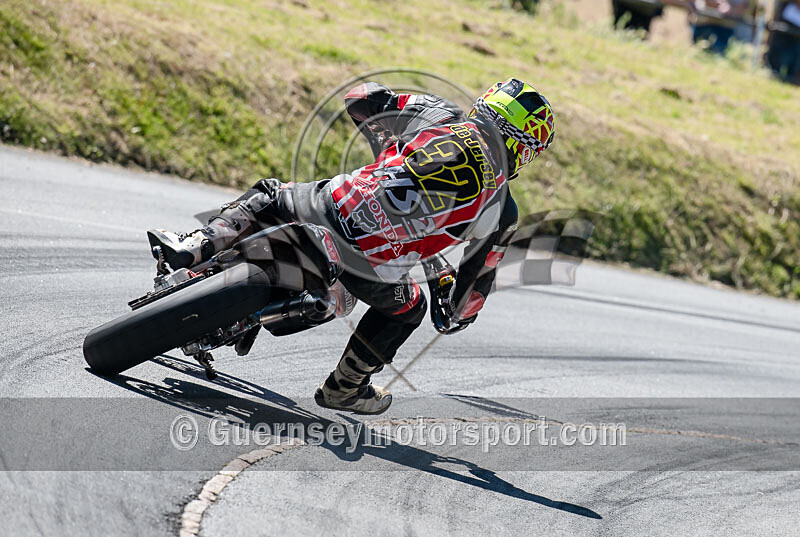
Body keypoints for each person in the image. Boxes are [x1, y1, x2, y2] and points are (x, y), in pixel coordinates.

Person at [146, 78, 555, 415]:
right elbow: (469, 299)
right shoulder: (503, 209)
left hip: (328, 204)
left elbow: (362, 98)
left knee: (273, 192)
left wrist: (387, 143)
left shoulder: (438, 113)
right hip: (371, 264)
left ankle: (195, 245)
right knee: (410, 308)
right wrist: (454, 312)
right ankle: (346, 386)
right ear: (524, 148)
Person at [767, 0, 800, 82]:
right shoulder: (786, 6)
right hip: (781, 39)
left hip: (796, 45)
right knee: (775, 68)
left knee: (793, 71)